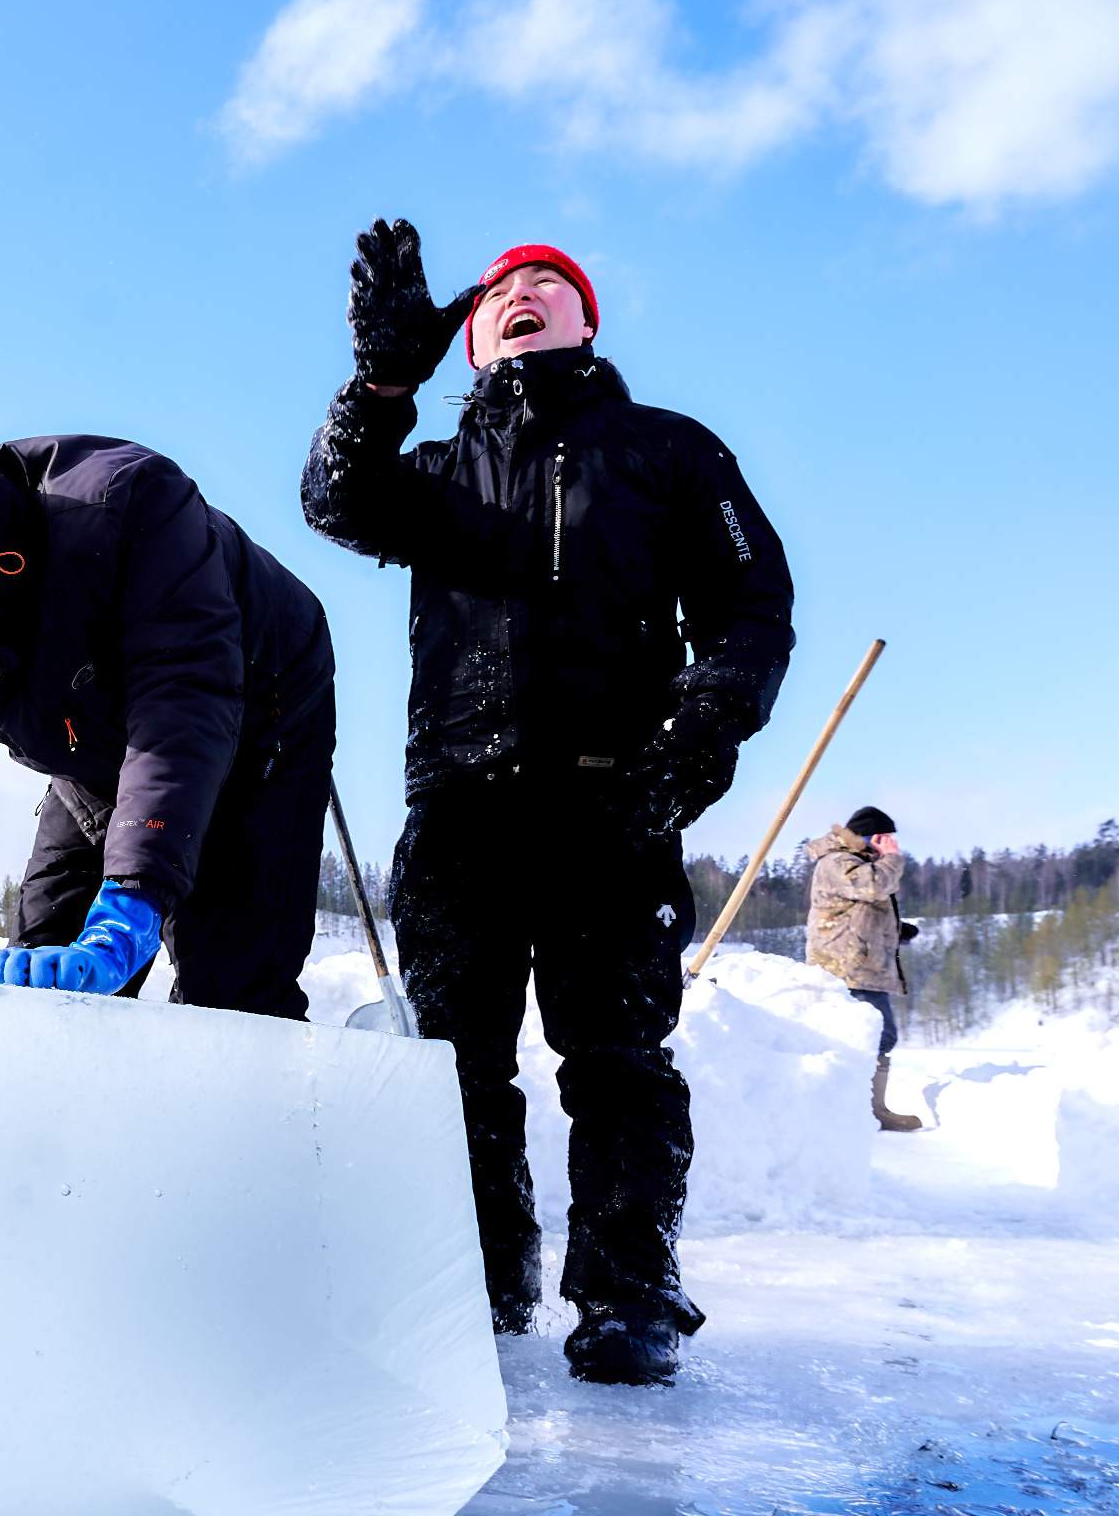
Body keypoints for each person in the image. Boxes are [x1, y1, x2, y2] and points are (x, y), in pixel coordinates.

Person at [301, 222, 794, 1385]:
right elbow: (332, 499)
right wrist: (377, 386)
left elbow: (751, 608)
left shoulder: (669, 451)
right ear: (468, 341)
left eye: (547, 286)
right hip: (461, 803)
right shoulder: (427, 473)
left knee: (617, 1054)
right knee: (456, 1063)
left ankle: (628, 1290)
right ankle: (482, 1271)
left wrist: (703, 726)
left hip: (614, 800)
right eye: (500, 293)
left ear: (586, 321)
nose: (522, 296)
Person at [0, 432, 338, 1018]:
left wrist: (133, 892)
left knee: (230, 994)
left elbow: (180, 702)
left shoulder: (129, 504)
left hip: (260, 728)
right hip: (91, 759)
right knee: (40, 992)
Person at [806, 805, 923, 1131]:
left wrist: (895, 930)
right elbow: (872, 887)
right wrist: (893, 859)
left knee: (877, 1037)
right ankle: (866, 1111)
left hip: (859, 965)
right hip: (846, 968)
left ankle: (865, 1109)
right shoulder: (836, 861)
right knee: (874, 1036)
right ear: (867, 836)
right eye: (883, 838)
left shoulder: (855, 863)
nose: (889, 845)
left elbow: (855, 912)